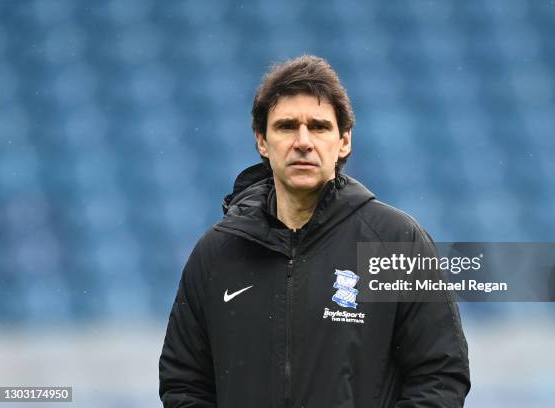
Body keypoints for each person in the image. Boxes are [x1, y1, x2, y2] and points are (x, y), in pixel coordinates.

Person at [159, 55, 470, 407]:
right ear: (262, 141)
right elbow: (184, 383)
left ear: (344, 141)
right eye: (287, 126)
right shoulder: (217, 253)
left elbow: (440, 377)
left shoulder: (396, 242)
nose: (303, 141)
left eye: (319, 127)